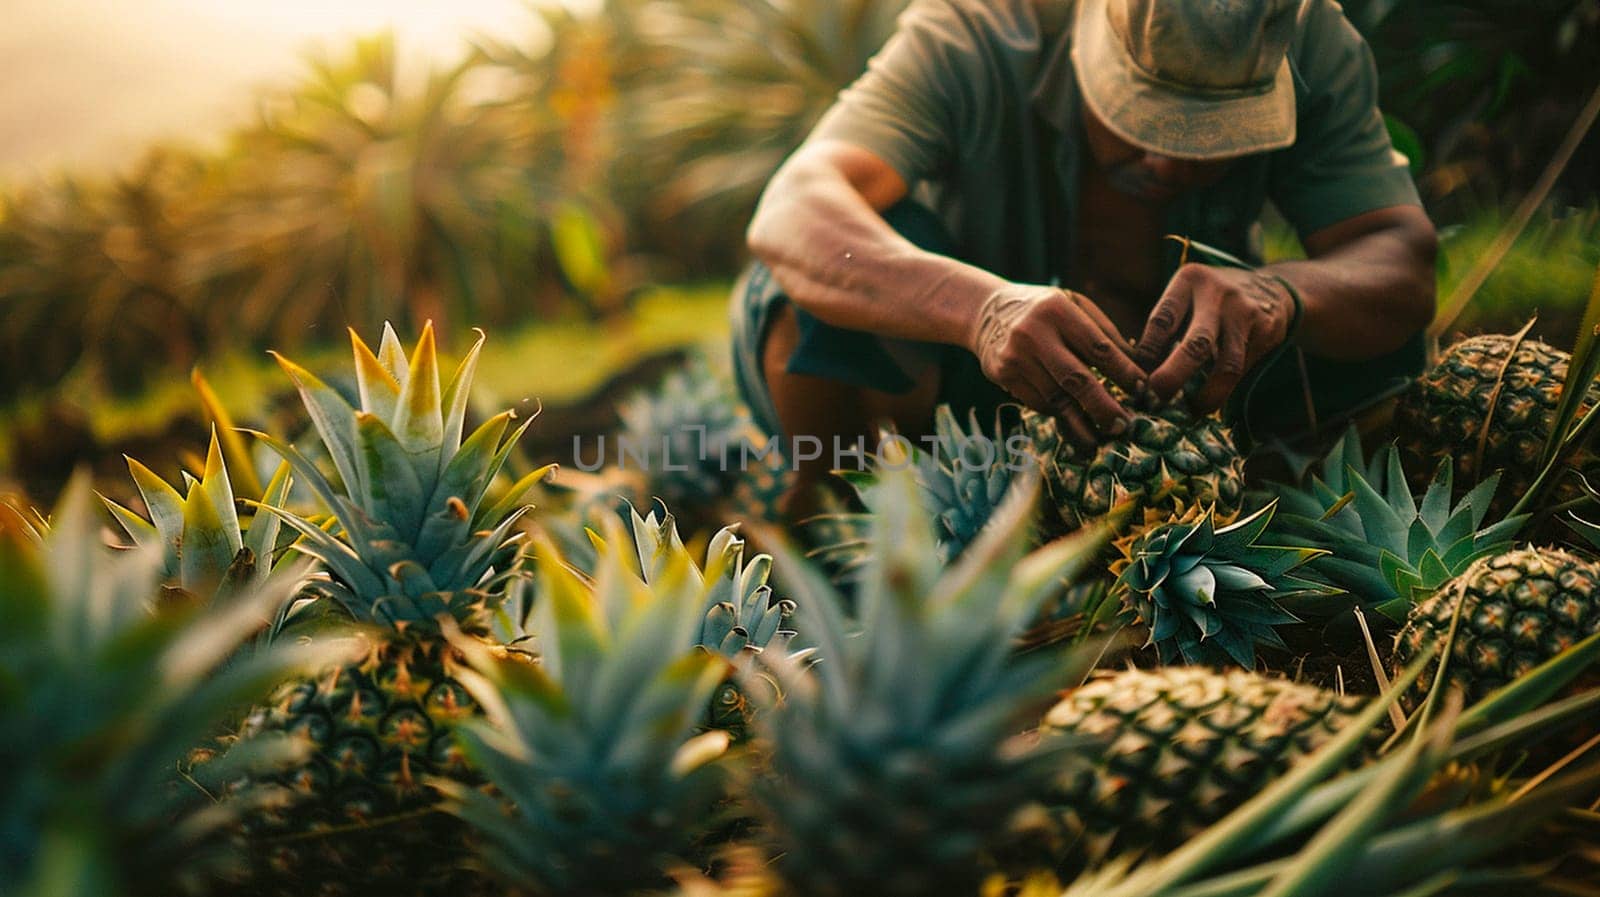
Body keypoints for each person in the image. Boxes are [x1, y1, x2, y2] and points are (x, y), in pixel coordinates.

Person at [731, 0, 1437, 517]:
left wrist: (1281, 294)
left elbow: (1399, 258)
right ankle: (839, 511)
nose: (1166, 161)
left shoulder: (1307, 38)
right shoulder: (977, 29)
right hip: (959, 394)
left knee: (1373, 328)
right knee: (825, 265)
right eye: (1139, 117)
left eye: (1211, 134)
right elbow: (794, 204)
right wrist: (980, 309)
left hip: (1197, 396)